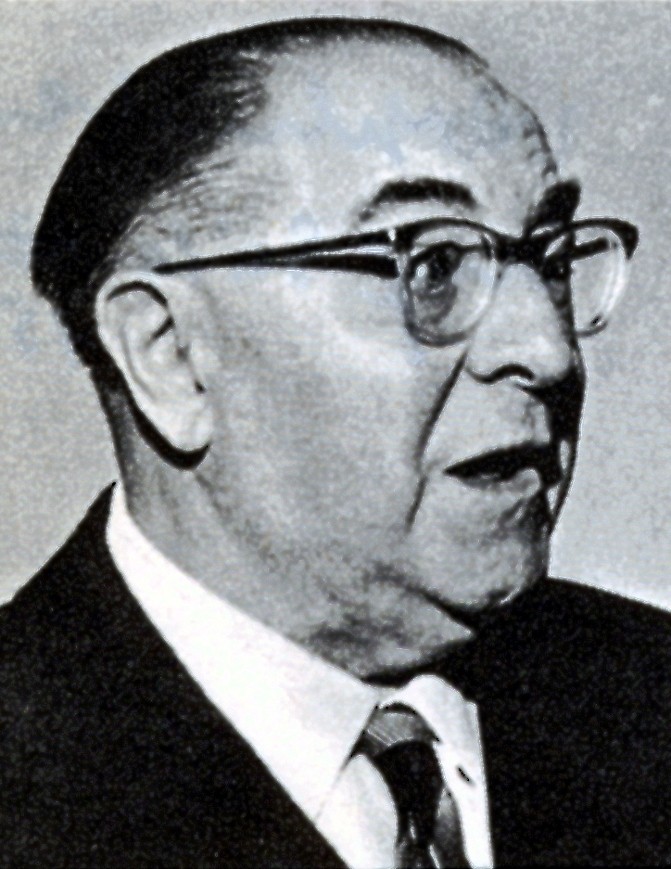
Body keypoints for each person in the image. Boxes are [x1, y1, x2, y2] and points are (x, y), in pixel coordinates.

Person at [2, 15, 671, 867]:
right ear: (170, 356)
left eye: (548, 259)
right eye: (431, 265)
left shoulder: (646, 700)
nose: (547, 349)